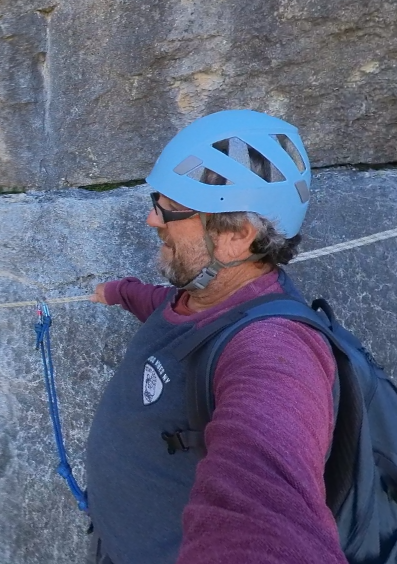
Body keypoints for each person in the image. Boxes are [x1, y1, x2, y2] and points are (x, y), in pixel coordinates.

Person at [83, 110, 346, 564]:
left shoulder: (274, 349)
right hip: (117, 538)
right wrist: (118, 292)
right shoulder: (203, 295)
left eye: (170, 209)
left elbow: (265, 505)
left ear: (236, 237)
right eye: (156, 200)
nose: (152, 219)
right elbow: (163, 308)